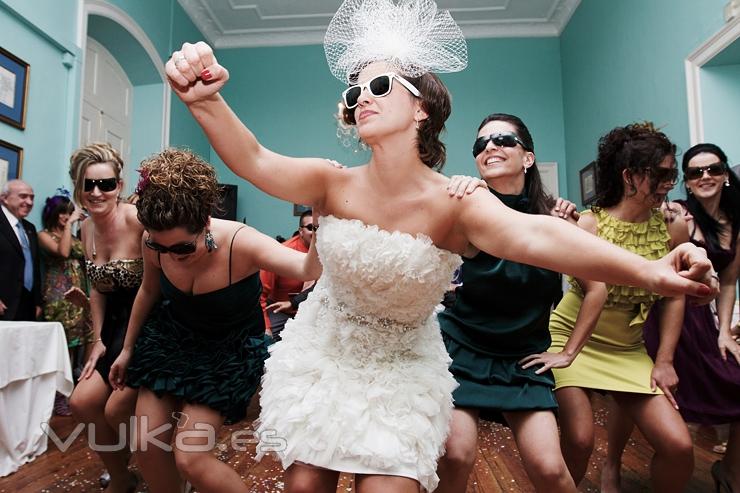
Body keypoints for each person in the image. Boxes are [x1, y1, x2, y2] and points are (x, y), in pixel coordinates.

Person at [165, 1, 716, 490]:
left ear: (421, 109)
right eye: (355, 92)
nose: (362, 99)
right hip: (326, 354)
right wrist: (204, 101)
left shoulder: (456, 202)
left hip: (403, 363)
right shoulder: (330, 182)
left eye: (380, 87)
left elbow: (538, 234)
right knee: (306, 485)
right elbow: (256, 159)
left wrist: (652, 271)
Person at [105, 148, 320, 493]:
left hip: (227, 351)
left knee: (191, 458)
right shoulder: (153, 239)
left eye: (182, 249)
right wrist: (128, 349)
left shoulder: (241, 243)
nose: (170, 255)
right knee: (146, 443)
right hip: (171, 339)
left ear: (205, 221)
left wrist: (322, 217)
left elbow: (309, 268)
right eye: (161, 247)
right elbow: (148, 290)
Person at [547, 122, 697, 492]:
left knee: (679, 447)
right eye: (661, 173)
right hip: (574, 342)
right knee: (580, 440)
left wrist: (664, 361)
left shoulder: (672, 229)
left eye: (672, 173)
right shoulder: (588, 225)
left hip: (630, 350)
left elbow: (674, 296)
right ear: (630, 176)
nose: (669, 182)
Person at [435, 113, 581, 493]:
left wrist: (568, 352)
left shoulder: (555, 219)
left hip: (522, 358)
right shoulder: (464, 207)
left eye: (502, 139)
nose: (490, 147)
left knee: (550, 468)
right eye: (480, 144)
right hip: (462, 350)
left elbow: (596, 287)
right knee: (455, 456)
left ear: (528, 158)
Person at [602, 142, 740, 493]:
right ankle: (612, 462)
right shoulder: (677, 215)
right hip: (661, 315)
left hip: (702, 323)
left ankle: (730, 471)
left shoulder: (734, 226)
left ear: (725, 174)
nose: (705, 177)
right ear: (687, 182)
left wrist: (724, 331)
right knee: (634, 389)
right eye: (695, 172)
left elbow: (727, 282)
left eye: (713, 169)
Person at [67, 143, 142, 493]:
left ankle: (160, 467)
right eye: (89, 184)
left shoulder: (137, 220)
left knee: (117, 409)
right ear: (78, 187)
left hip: (148, 325)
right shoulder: (84, 229)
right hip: (112, 328)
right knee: (80, 402)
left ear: (120, 186)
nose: (97, 193)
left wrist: (129, 347)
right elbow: (98, 289)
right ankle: (122, 476)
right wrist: (97, 342)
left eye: (106, 184)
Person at [38, 190, 92, 415]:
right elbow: (64, 252)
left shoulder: (75, 234)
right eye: (62, 213)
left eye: (69, 213)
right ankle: (57, 397)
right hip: (58, 296)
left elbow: (87, 255)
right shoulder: (45, 235)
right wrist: (70, 225)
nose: (66, 216)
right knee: (63, 346)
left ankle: (75, 391)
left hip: (78, 293)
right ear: (54, 214)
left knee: (81, 342)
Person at [260, 208, 315, 340]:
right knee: (266, 340)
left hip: (313, 311)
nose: (315, 232)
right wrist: (266, 327)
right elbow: (260, 295)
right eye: (310, 227)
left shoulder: (326, 250)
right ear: (301, 231)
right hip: (282, 311)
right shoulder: (281, 254)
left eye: (319, 227)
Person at [0, 179, 41, 321]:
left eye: (32, 198)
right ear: (4, 198)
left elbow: (34, 266)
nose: (29, 202)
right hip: (3, 303)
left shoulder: (30, 228)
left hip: (26, 305)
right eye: (23, 196)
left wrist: (37, 302)